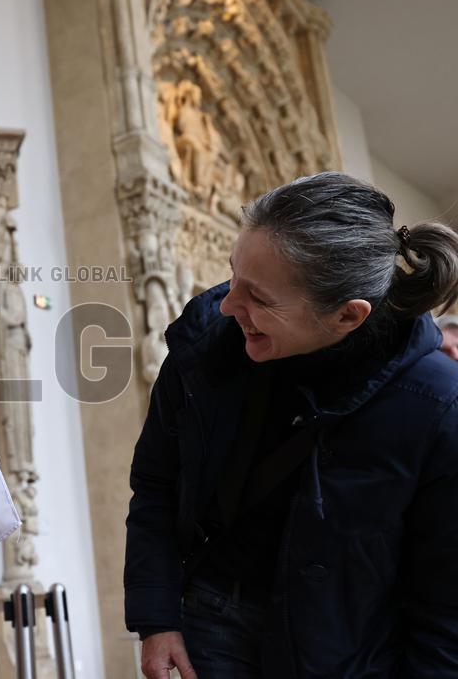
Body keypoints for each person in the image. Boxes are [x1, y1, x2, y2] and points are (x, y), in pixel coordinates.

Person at [124, 172, 458, 678]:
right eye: (232, 275)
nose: (230, 305)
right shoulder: (205, 347)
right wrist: (157, 619)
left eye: (258, 298)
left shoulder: (438, 406)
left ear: (348, 316)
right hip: (209, 625)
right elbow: (156, 485)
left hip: (345, 653)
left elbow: (443, 604)